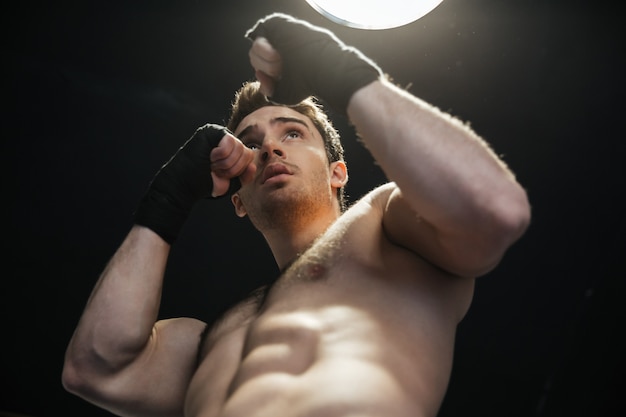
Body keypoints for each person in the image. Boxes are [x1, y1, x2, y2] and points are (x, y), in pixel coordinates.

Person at [62, 13, 530, 417]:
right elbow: (96, 370)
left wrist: (345, 74)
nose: (268, 146)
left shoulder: (389, 229)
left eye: (292, 133)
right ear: (238, 201)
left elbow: (494, 210)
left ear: (338, 173)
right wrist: (168, 197)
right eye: (251, 141)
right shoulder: (210, 338)